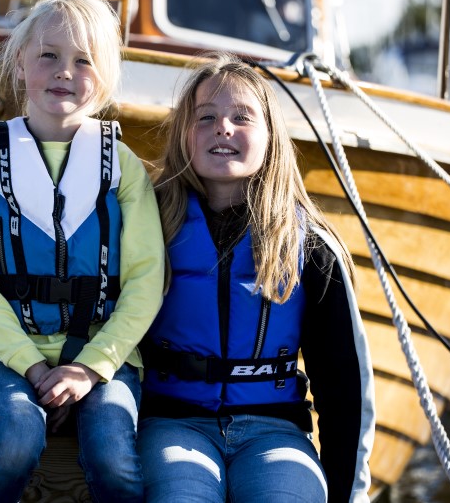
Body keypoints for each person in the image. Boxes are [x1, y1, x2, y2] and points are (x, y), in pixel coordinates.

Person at [0, 0, 165, 503]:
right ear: (20, 62)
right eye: (49, 55)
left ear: (106, 78)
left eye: (84, 61)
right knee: (16, 437)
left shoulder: (123, 168)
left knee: (114, 456)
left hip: (104, 351)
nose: (65, 72)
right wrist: (31, 364)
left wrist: (91, 366)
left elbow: (146, 279)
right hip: (7, 352)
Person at [137, 52, 375, 503]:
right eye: (206, 117)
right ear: (184, 134)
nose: (223, 128)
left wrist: (349, 493)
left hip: (274, 433)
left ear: (271, 137)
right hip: (172, 425)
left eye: (242, 117)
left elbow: (343, 384)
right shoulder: (147, 226)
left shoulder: (311, 246)